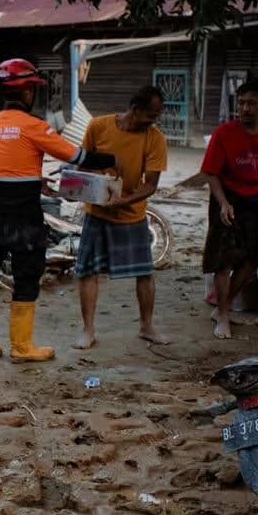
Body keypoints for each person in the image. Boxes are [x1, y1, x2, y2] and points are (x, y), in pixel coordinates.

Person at [0, 58, 116, 362]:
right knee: (27, 277)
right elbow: (78, 156)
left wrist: (34, 180)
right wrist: (114, 158)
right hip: (23, 216)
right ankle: (21, 347)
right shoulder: (35, 127)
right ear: (28, 92)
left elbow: (5, 168)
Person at [73, 86, 168, 348]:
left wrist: (124, 200)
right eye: (150, 115)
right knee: (88, 271)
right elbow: (82, 165)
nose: (153, 121)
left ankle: (147, 326)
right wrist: (77, 188)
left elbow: (150, 185)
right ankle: (88, 330)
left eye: (157, 116)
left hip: (131, 213)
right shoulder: (98, 126)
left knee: (145, 272)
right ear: (135, 109)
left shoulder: (155, 138)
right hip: (97, 211)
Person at [201, 77, 258, 339]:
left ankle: (222, 308)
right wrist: (223, 203)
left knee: (252, 259)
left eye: (251, 103)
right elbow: (210, 173)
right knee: (223, 260)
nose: (245, 109)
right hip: (227, 201)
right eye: (241, 103)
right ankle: (224, 316)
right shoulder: (224, 133)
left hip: (256, 203)